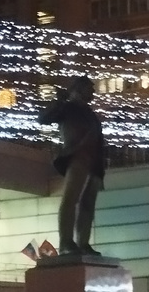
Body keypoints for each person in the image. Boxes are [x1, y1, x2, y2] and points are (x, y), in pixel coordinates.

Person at [38, 76, 106, 257]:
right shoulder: (68, 108)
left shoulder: (89, 112)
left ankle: (83, 243)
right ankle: (66, 241)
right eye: (89, 88)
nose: (93, 91)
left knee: (88, 203)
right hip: (77, 156)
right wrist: (58, 101)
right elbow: (43, 118)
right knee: (71, 199)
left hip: (94, 161)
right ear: (78, 88)